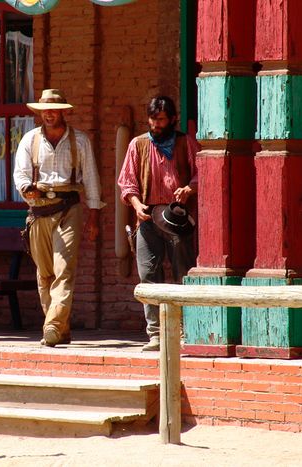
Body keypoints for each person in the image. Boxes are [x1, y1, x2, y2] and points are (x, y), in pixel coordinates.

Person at [13, 89, 105, 347]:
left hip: (69, 208)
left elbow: (92, 180)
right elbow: (20, 175)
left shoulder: (80, 141)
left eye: (54, 110)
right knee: (44, 274)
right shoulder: (29, 140)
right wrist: (27, 190)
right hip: (39, 209)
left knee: (64, 269)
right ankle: (60, 328)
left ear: (64, 111)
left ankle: (52, 326)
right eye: (44, 111)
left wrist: (94, 216)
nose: (49, 115)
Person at [117, 96, 199, 351]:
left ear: (173, 119)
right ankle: (155, 334)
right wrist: (135, 204)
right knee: (148, 274)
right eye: (153, 119)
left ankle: (185, 330)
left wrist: (189, 188)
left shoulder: (186, 143)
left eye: (161, 119)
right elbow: (127, 182)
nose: (156, 125)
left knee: (182, 272)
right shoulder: (138, 144)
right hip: (148, 217)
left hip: (178, 218)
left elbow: (202, 172)